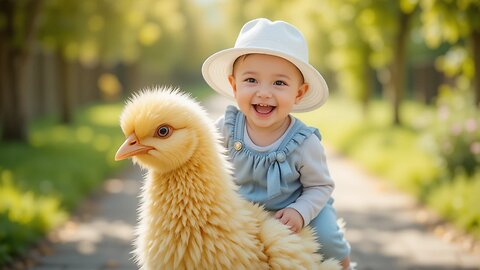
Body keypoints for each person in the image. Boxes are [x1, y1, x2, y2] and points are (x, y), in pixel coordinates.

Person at [202, 18, 352, 269]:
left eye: (279, 83)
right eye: (251, 80)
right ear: (234, 84)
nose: (264, 92)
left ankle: (346, 265)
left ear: (299, 93)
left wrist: (300, 212)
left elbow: (320, 186)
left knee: (328, 238)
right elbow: (204, 161)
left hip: (294, 206)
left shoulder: (304, 143)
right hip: (244, 209)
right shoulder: (226, 128)